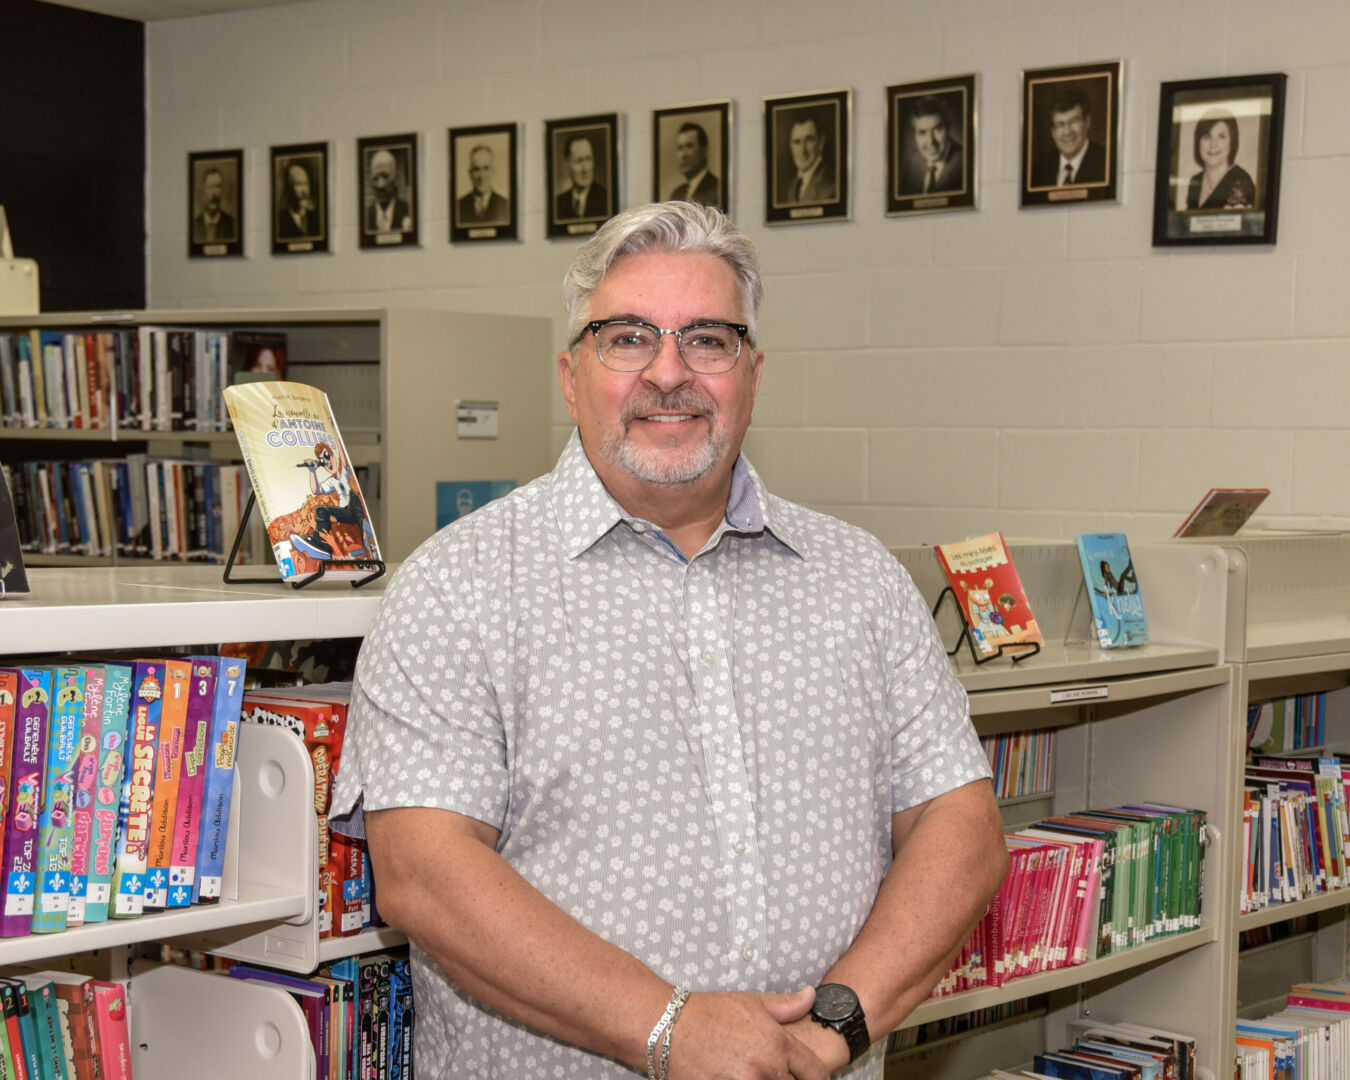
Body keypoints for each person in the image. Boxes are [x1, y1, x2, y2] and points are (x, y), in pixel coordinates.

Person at [329, 201, 1008, 1080]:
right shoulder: (459, 586)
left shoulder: (860, 580)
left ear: (753, 374)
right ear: (571, 375)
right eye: (627, 338)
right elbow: (425, 875)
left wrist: (832, 1029)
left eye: (708, 341)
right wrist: (668, 1029)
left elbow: (961, 825)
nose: (669, 372)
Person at [288, 441, 373, 561]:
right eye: (323, 462)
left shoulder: (344, 471)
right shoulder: (332, 482)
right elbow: (316, 490)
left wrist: (336, 437)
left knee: (353, 496)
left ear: (333, 456)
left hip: (355, 509)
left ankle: (366, 532)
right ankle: (321, 545)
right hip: (345, 513)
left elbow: (343, 455)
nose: (327, 463)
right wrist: (312, 471)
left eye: (327, 456)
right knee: (321, 510)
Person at [1030, 86, 1106, 188]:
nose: (1067, 132)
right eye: (1060, 125)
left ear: (1087, 122)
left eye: (1074, 121)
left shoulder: (1106, 163)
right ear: (1053, 132)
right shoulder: (1038, 171)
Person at [1185, 108, 1256, 210]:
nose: (1213, 145)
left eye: (1221, 137)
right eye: (1207, 136)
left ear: (1232, 142)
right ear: (1198, 142)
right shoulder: (1196, 181)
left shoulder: (1241, 182)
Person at [897, 96, 964, 195]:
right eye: (922, 132)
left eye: (937, 129)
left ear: (948, 128)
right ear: (914, 135)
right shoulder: (913, 162)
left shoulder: (965, 162)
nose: (931, 141)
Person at [779, 114, 837, 204]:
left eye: (809, 140)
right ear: (791, 147)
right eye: (797, 142)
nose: (803, 150)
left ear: (821, 143)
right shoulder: (792, 189)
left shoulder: (830, 187)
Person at [554, 134, 609, 221]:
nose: (585, 169)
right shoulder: (558, 203)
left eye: (588, 159)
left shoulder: (605, 198)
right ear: (567, 166)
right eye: (579, 161)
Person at [667, 122, 720, 205]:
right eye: (680, 148)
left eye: (689, 146)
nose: (683, 155)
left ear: (703, 151)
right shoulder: (677, 194)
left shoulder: (717, 189)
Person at [455, 144, 510, 225]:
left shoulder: (505, 205)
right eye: (476, 169)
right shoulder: (458, 207)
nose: (481, 176)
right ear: (470, 173)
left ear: (493, 171)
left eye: (486, 168)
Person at [364, 148, 412, 235]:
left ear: (395, 178)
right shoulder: (365, 217)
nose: (380, 185)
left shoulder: (408, 211)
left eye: (385, 176)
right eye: (375, 178)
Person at [277, 160, 320, 240]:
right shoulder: (280, 221)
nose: (304, 191)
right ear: (288, 188)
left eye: (306, 184)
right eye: (298, 184)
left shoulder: (315, 219)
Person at [192, 166, 237, 244]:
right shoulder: (195, 225)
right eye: (210, 187)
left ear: (222, 190)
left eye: (218, 186)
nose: (214, 192)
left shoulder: (231, 224)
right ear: (204, 190)